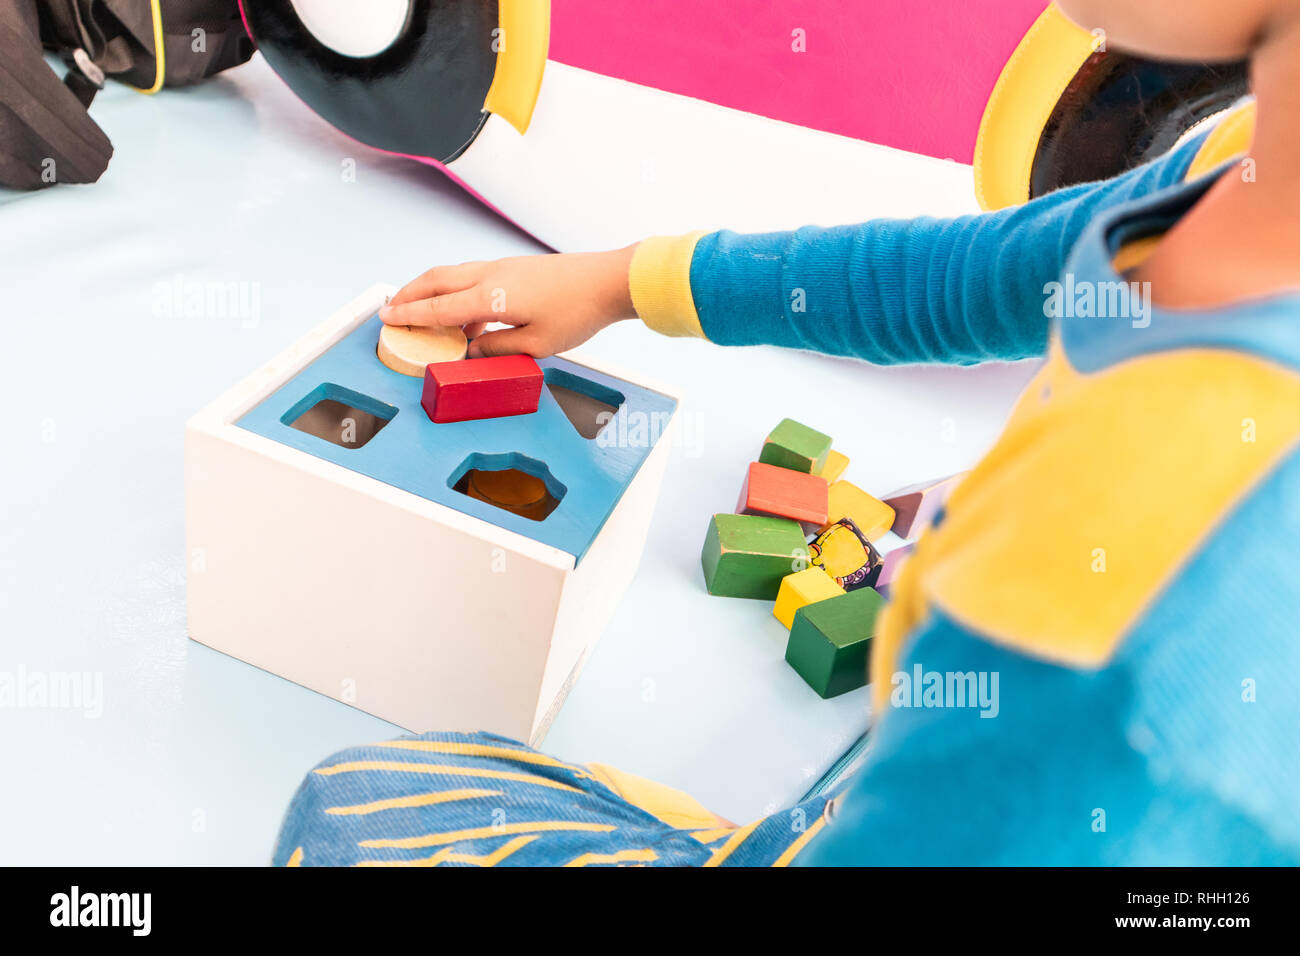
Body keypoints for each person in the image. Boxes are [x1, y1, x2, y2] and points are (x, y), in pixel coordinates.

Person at [275, 0, 1300, 865]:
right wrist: (613, 282)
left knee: (346, 811)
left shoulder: (1142, 580)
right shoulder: (1232, 166)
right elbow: (959, 274)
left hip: (929, 812)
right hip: (964, 768)